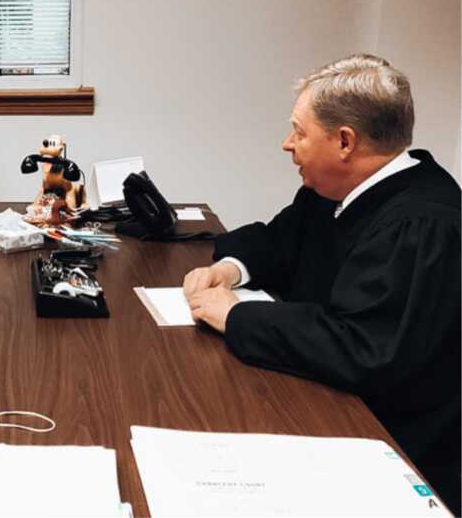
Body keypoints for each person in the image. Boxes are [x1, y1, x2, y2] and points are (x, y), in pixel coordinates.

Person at [183, 53, 460, 515]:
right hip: (315, 397)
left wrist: (235, 315)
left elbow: (365, 348)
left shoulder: (422, 222)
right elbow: (281, 240)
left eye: (299, 131)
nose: (287, 144)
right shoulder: (334, 191)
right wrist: (231, 269)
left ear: (345, 141)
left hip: (387, 446)